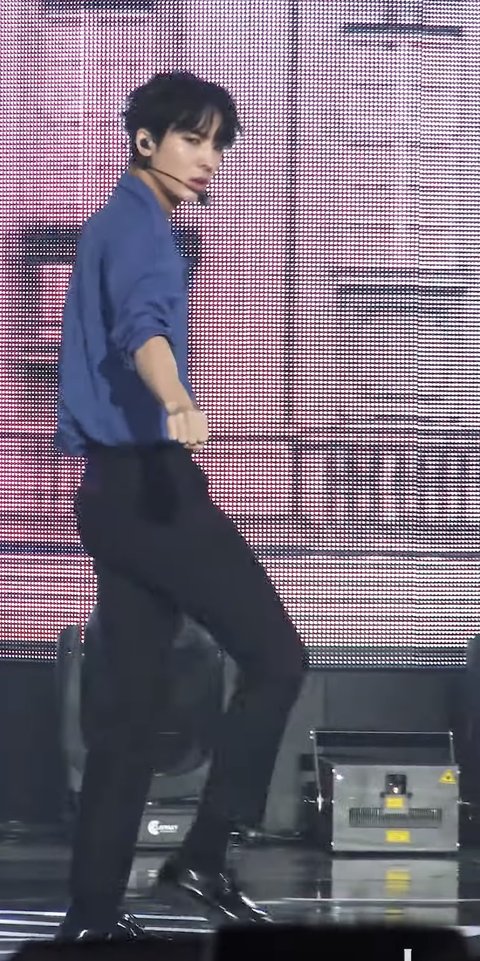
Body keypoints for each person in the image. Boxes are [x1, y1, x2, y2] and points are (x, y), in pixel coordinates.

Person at [54, 70, 306, 941]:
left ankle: (92, 914)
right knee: (277, 657)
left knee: (128, 715)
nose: (210, 160)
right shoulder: (145, 234)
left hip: (107, 495)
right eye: (194, 139)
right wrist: (179, 400)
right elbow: (145, 328)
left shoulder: (106, 225)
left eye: (218, 144)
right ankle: (203, 855)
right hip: (153, 489)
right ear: (145, 140)